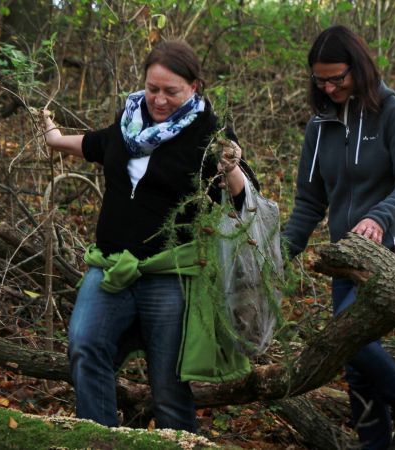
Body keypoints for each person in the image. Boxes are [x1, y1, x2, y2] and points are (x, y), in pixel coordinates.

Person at [43, 40, 251, 432]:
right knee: (85, 347)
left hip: (169, 274)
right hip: (110, 266)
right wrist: (57, 141)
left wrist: (232, 169)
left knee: (168, 387)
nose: (158, 99)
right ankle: (100, 438)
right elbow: (100, 145)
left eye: (171, 91)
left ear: (194, 86)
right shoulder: (130, 117)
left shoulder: (211, 130)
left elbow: (245, 198)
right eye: (153, 88)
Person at [283, 25, 395, 449]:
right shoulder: (320, 125)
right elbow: (308, 202)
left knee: (348, 334)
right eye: (321, 79)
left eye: (338, 77)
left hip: (391, 253)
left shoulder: (392, 112)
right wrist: (277, 254)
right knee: (353, 362)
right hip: (343, 260)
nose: (330, 86)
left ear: (360, 67)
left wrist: (380, 218)